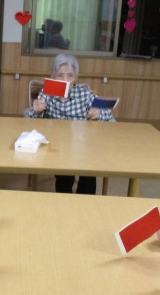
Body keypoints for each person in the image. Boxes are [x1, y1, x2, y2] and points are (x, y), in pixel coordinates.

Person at [29, 54, 114, 194]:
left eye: (70, 76)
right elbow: (33, 119)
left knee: (89, 171)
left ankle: (84, 201)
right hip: (58, 144)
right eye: (60, 75)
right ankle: (65, 201)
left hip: (82, 143)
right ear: (53, 76)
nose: (65, 80)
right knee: (64, 174)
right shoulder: (48, 92)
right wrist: (37, 109)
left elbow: (107, 111)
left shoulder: (84, 93)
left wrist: (99, 113)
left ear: (75, 78)